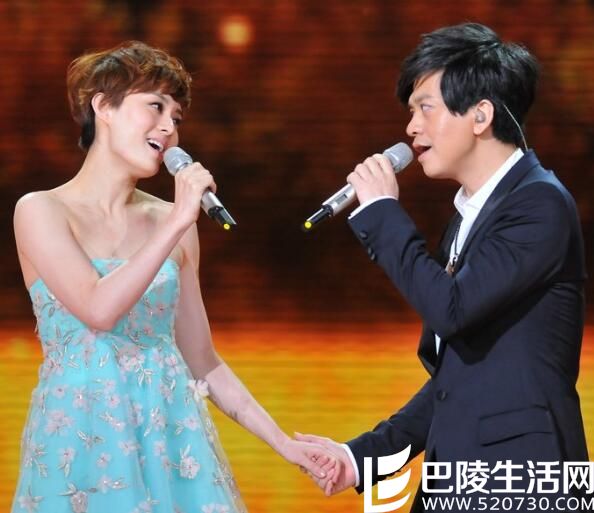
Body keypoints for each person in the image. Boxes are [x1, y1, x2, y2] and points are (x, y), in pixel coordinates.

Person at [11, 41, 334, 513]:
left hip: (169, 443)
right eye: (156, 106)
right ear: (103, 106)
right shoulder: (41, 210)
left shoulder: (171, 221)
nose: (169, 128)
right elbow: (98, 308)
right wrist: (179, 220)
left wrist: (282, 443)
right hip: (81, 446)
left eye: (176, 117)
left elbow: (203, 360)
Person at [296, 22, 588, 511]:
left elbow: (451, 309)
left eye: (424, 108)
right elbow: (457, 384)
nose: (411, 128)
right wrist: (361, 458)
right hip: (460, 477)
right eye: (411, 112)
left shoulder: (540, 204)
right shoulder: (469, 218)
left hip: (523, 479)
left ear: (480, 115)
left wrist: (381, 212)